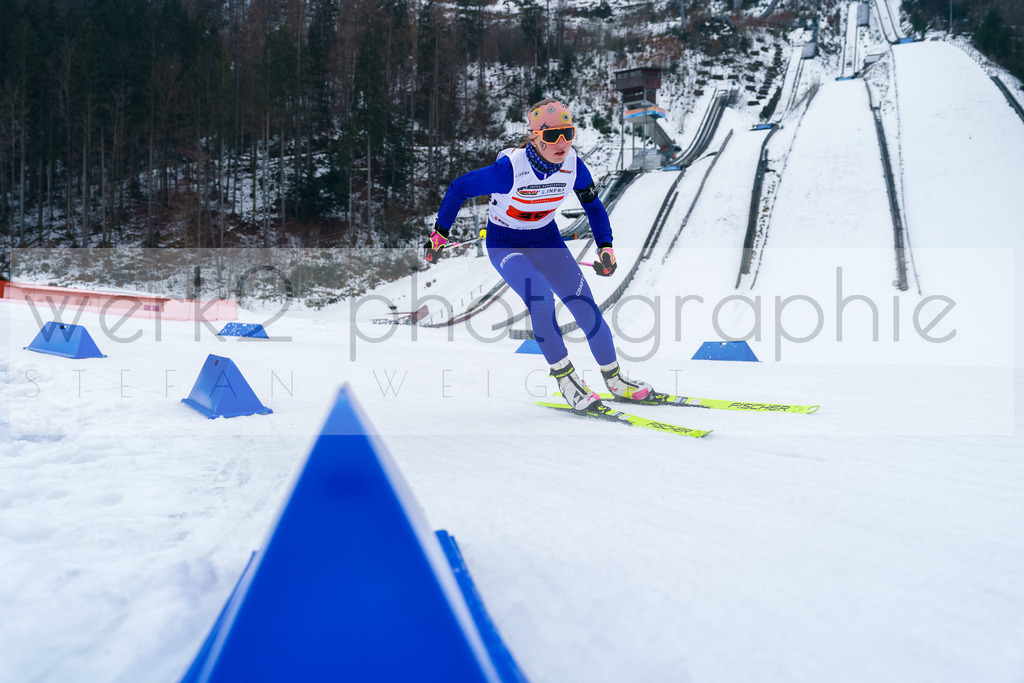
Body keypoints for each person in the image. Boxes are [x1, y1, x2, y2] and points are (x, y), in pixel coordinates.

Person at [423, 99, 655, 412]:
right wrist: (440, 234)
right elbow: (458, 188)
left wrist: (606, 246)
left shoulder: (574, 165)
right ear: (534, 137)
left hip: (546, 239)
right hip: (505, 243)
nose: (561, 143)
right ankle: (566, 380)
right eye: (551, 136)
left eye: (567, 133)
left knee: (584, 305)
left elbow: (594, 207)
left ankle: (615, 380)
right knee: (541, 298)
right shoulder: (509, 170)